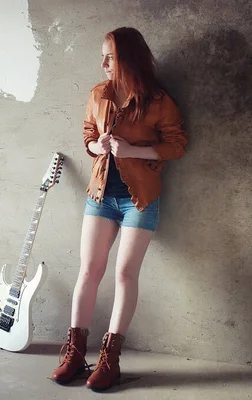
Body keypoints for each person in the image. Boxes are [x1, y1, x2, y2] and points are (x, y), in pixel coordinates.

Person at [50, 27, 188, 391]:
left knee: (125, 274)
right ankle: (75, 353)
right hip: (99, 196)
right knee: (89, 271)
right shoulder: (99, 94)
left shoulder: (158, 101)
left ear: (128, 57)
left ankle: (110, 360)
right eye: (103, 56)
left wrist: (132, 151)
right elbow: (86, 134)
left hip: (138, 199)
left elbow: (176, 145)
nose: (103, 63)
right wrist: (98, 146)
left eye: (109, 56)